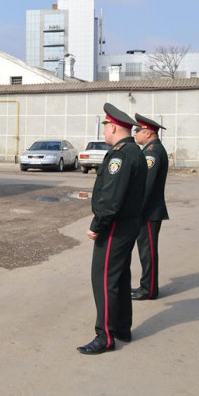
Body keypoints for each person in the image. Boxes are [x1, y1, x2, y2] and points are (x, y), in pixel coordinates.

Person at [78, 103, 146, 355]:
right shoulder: (135, 151)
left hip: (115, 225)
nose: (104, 132)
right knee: (120, 277)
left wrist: (97, 225)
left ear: (114, 127)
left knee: (104, 279)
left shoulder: (120, 155)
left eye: (106, 127)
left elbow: (111, 197)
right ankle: (121, 328)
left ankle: (105, 336)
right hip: (128, 223)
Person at [131, 113, 169, 301]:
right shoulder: (152, 149)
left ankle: (149, 289)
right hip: (149, 210)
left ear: (147, 133)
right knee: (145, 250)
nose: (135, 134)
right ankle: (146, 285)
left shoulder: (151, 152)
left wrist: (137, 210)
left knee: (148, 251)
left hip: (148, 211)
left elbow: (146, 185)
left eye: (137, 131)